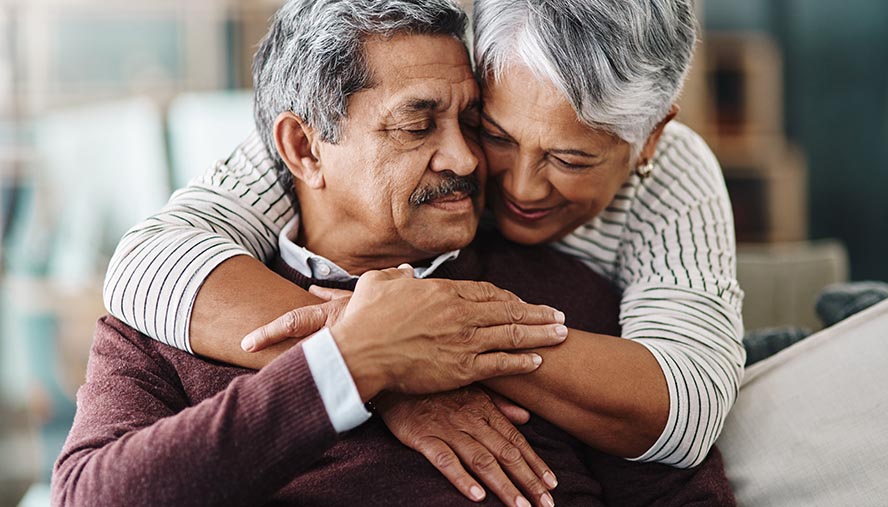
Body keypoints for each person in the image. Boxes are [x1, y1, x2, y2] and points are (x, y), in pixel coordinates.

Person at [97, 0, 742, 503]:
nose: (490, 172)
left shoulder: (580, 304)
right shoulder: (191, 300)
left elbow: (686, 420)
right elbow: (144, 265)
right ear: (304, 149)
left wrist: (440, 341)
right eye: (495, 133)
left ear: (649, 141)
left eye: (469, 123)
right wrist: (366, 362)